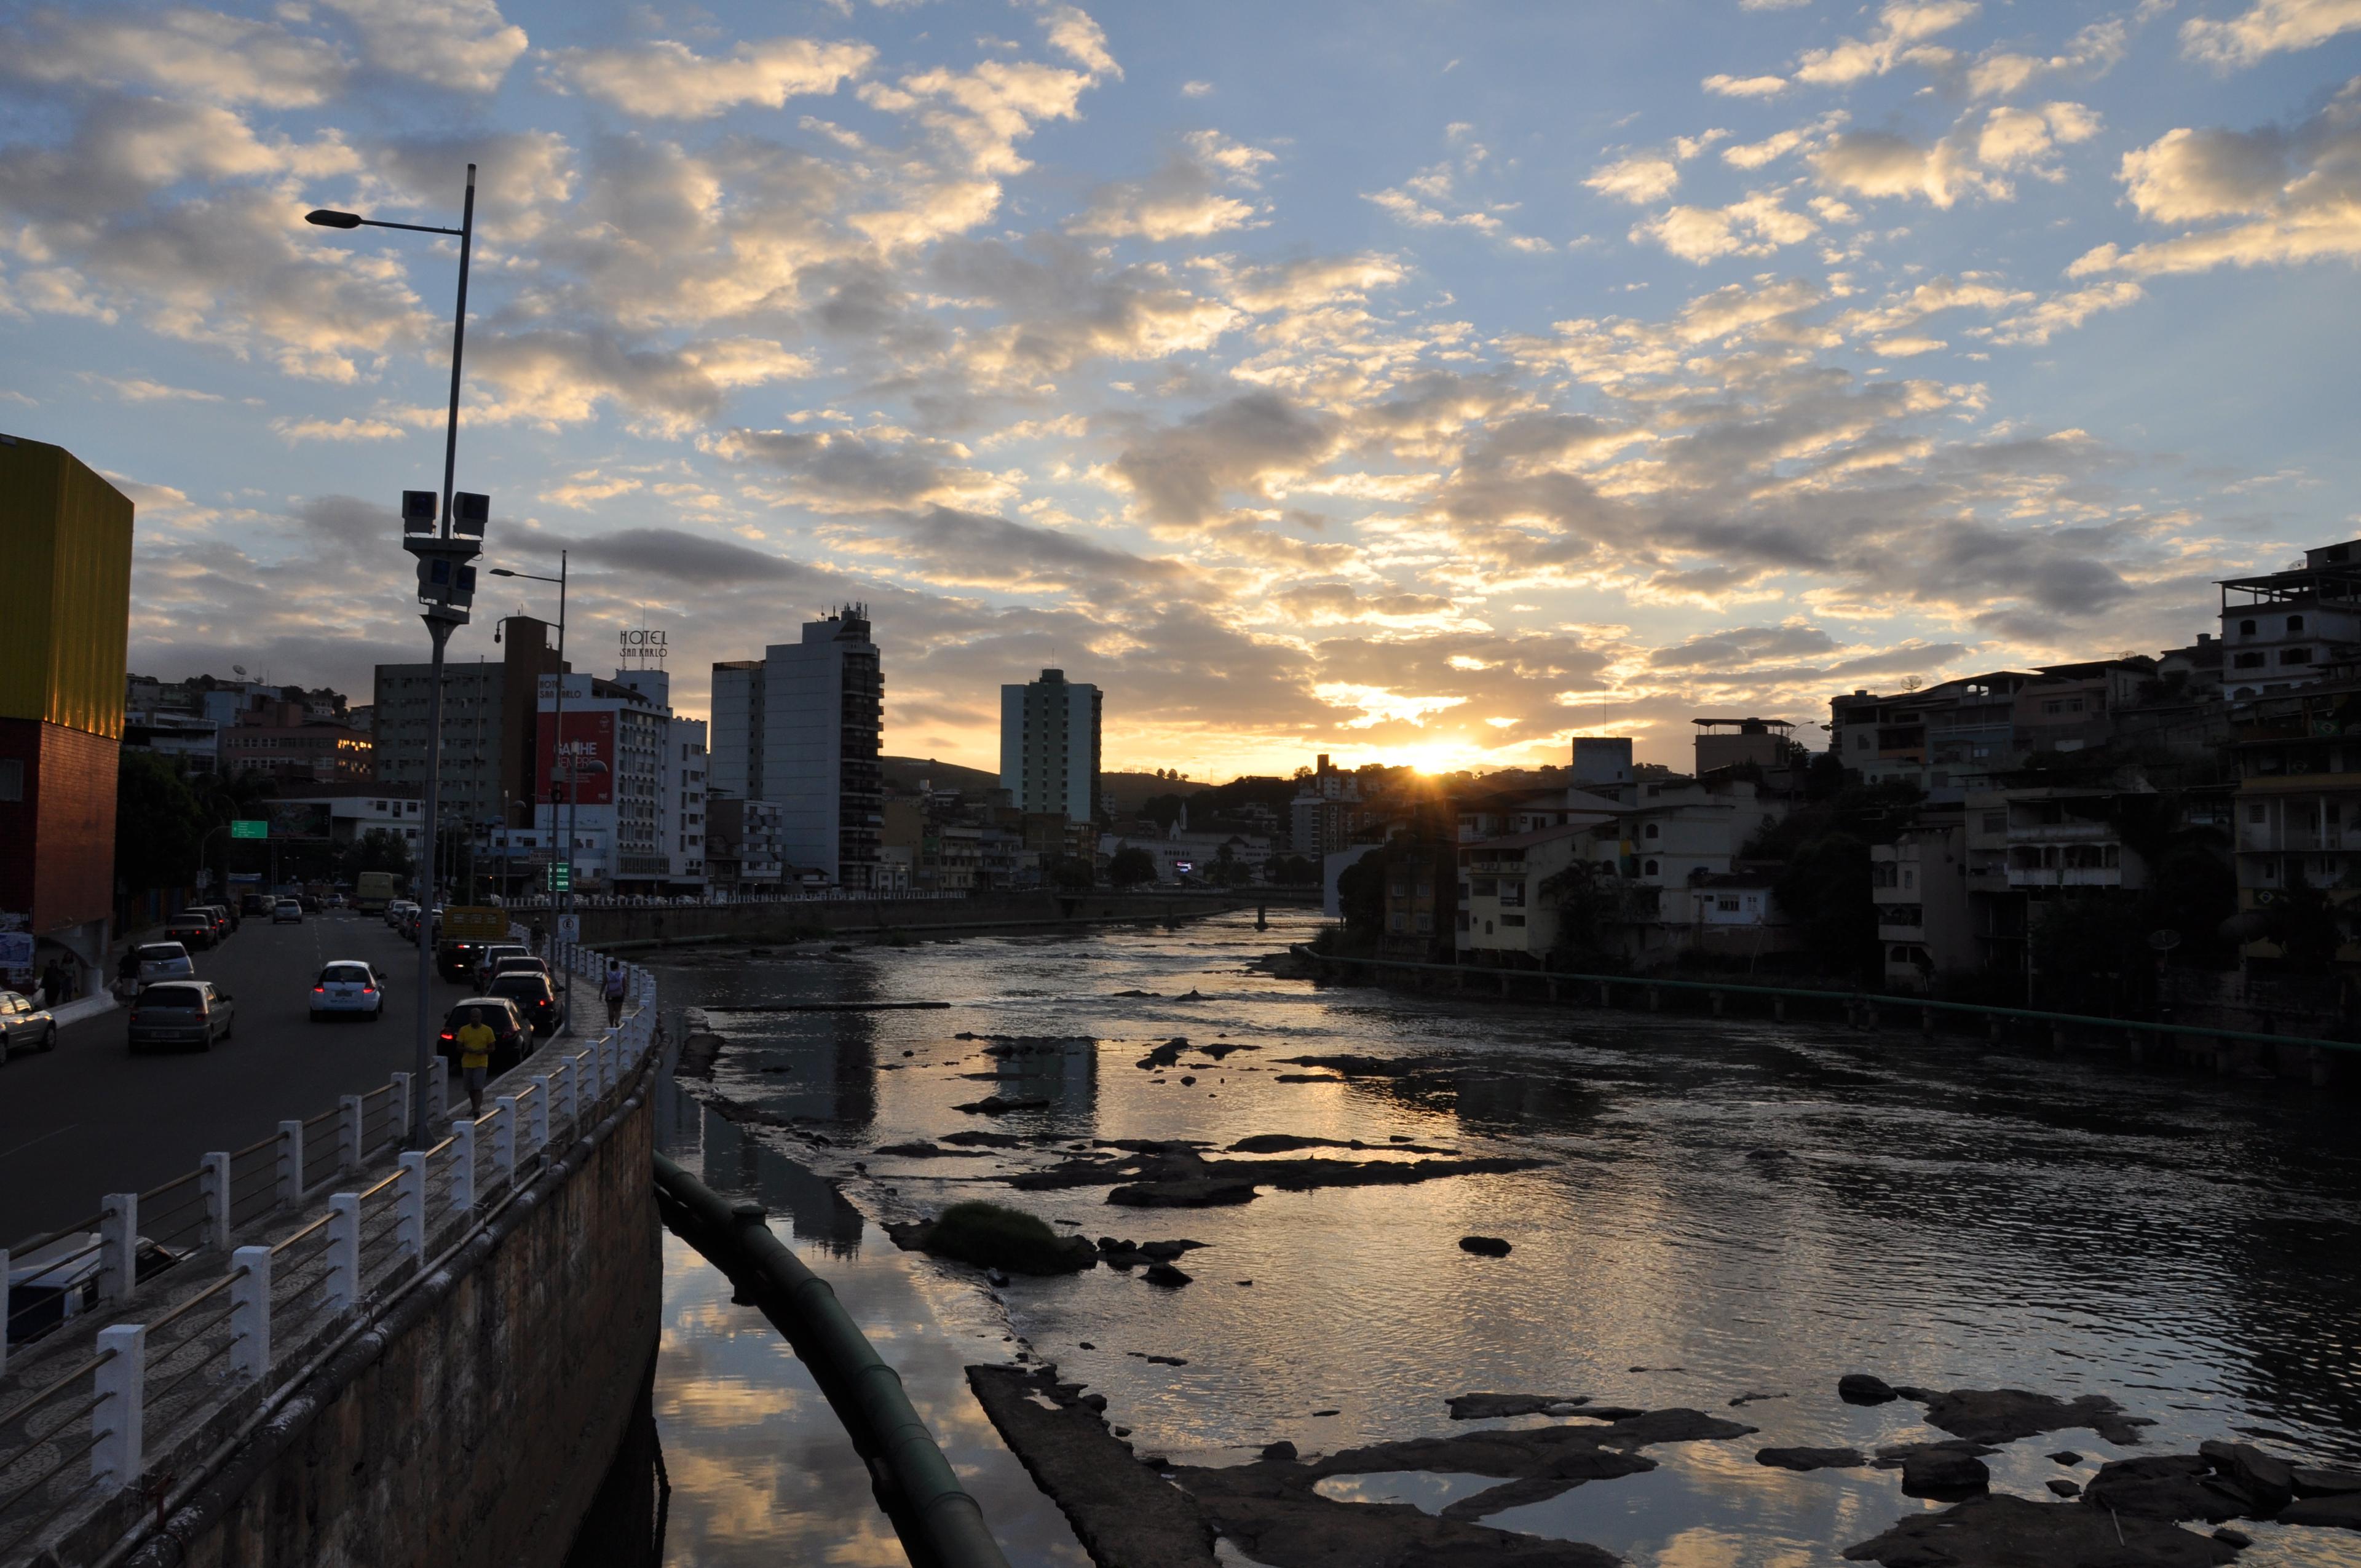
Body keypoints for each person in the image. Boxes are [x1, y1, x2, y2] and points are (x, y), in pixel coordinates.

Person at [454, 1008, 497, 1117]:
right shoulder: (464, 1030)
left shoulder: (488, 1031)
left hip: (481, 1063)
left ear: (481, 1018)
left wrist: (483, 1051)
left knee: (478, 1086)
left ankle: (477, 1109)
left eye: (477, 1017)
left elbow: (492, 1047)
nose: (475, 1019)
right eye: (473, 1017)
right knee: (470, 1088)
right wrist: (467, 1050)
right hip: (467, 1063)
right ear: (470, 1018)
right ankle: (474, 1107)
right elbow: (458, 1046)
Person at [603, 959, 627, 1028]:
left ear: (610, 967)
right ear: (618, 967)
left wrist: (600, 994)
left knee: (610, 1011)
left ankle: (611, 1025)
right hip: (619, 994)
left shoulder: (607, 975)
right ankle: (617, 1021)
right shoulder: (621, 975)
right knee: (618, 1010)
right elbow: (624, 985)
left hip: (610, 995)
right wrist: (624, 994)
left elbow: (604, 984)